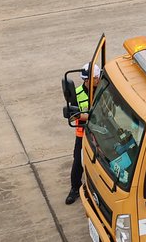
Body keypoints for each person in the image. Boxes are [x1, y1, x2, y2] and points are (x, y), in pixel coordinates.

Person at [66, 64, 94, 205]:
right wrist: (89, 117)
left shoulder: (103, 90)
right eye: (95, 78)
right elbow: (72, 116)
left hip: (100, 132)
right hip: (82, 133)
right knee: (78, 161)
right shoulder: (77, 94)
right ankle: (75, 188)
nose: (97, 80)